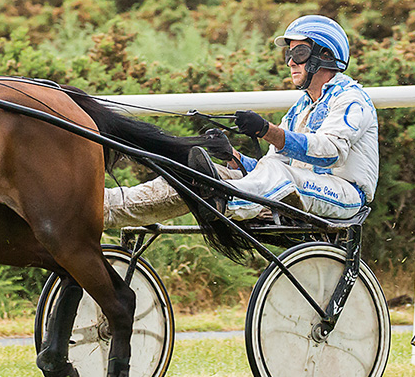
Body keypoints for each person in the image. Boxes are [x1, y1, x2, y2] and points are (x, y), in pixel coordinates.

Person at [104, 14, 379, 227]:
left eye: (300, 54)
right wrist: (233, 157)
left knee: (276, 175)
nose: (290, 63)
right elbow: (271, 166)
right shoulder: (301, 108)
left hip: (346, 197)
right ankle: (106, 206)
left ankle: (223, 200)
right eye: (289, 55)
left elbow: (330, 153)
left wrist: (266, 130)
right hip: (298, 185)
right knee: (198, 174)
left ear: (326, 57)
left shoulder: (351, 99)